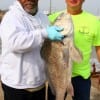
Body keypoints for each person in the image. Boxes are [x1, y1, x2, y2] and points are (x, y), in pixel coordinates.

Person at [0, 0, 65, 100]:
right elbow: (15, 43)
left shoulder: (43, 17)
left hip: (39, 84)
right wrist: (44, 33)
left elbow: (47, 46)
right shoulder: (11, 17)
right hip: (16, 86)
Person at [48, 0, 100, 100]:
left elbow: (98, 49)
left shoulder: (94, 21)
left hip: (82, 77)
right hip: (56, 76)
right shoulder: (51, 18)